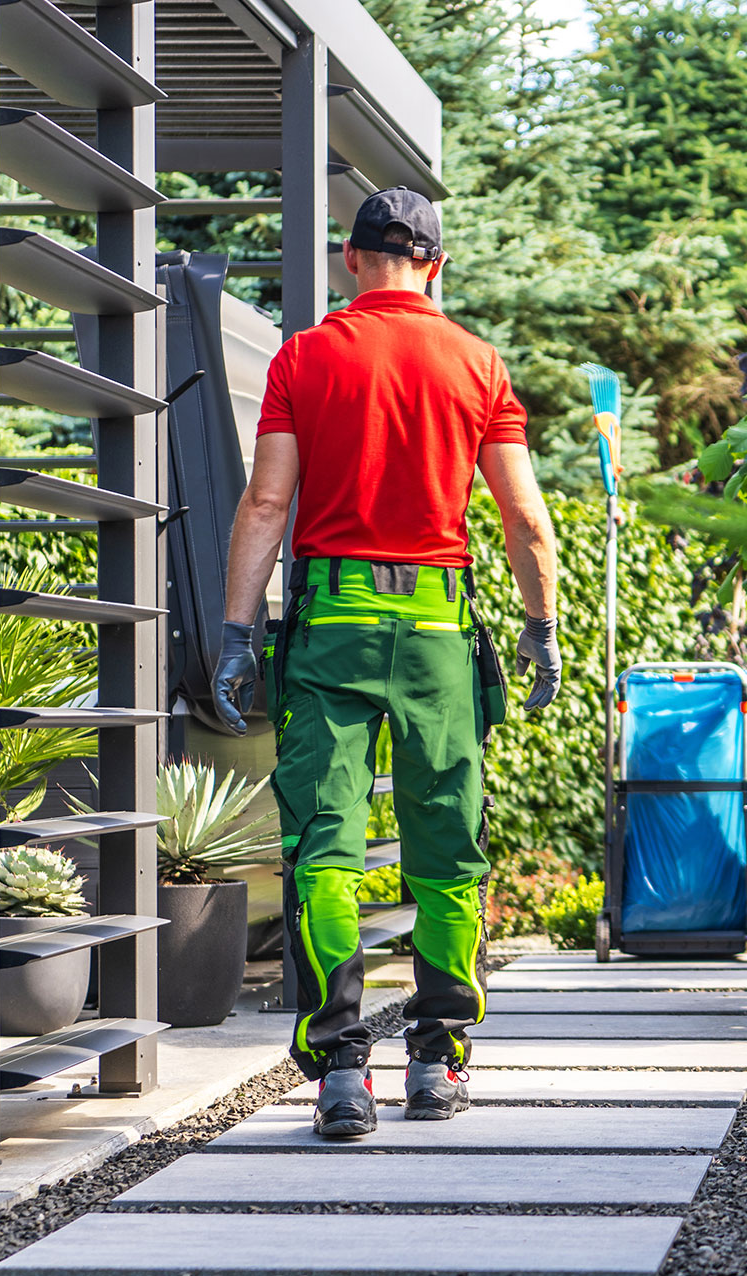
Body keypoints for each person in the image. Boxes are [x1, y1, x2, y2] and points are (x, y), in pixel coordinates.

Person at [211, 187, 561, 1138]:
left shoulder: (305, 357)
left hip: (332, 625)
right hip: (440, 634)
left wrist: (238, 635)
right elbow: (524, 516)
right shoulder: (478, 364)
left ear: (350, 259)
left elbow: (263, 506)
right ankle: (439, 1061)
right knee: (448, 850)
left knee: (322, 848)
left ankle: (338, 1073)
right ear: (435, 266)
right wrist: (542, 627)